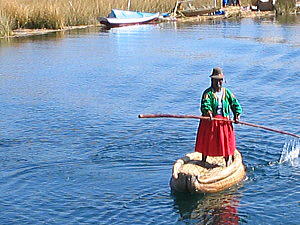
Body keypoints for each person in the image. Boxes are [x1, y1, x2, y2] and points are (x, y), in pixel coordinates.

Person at [194, 67, 242, 166]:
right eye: (216, 81)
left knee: (225, 141)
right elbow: (205, 104)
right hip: (210, 121)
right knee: (208, 139)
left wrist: (237, 115)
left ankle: (227, 160)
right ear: (212, 81)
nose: (218, 83)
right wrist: (209, 112)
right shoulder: (208, 93)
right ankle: (204, 159)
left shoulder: (227, 92)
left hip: (224, 121)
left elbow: (235, 103)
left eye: (220, 81)